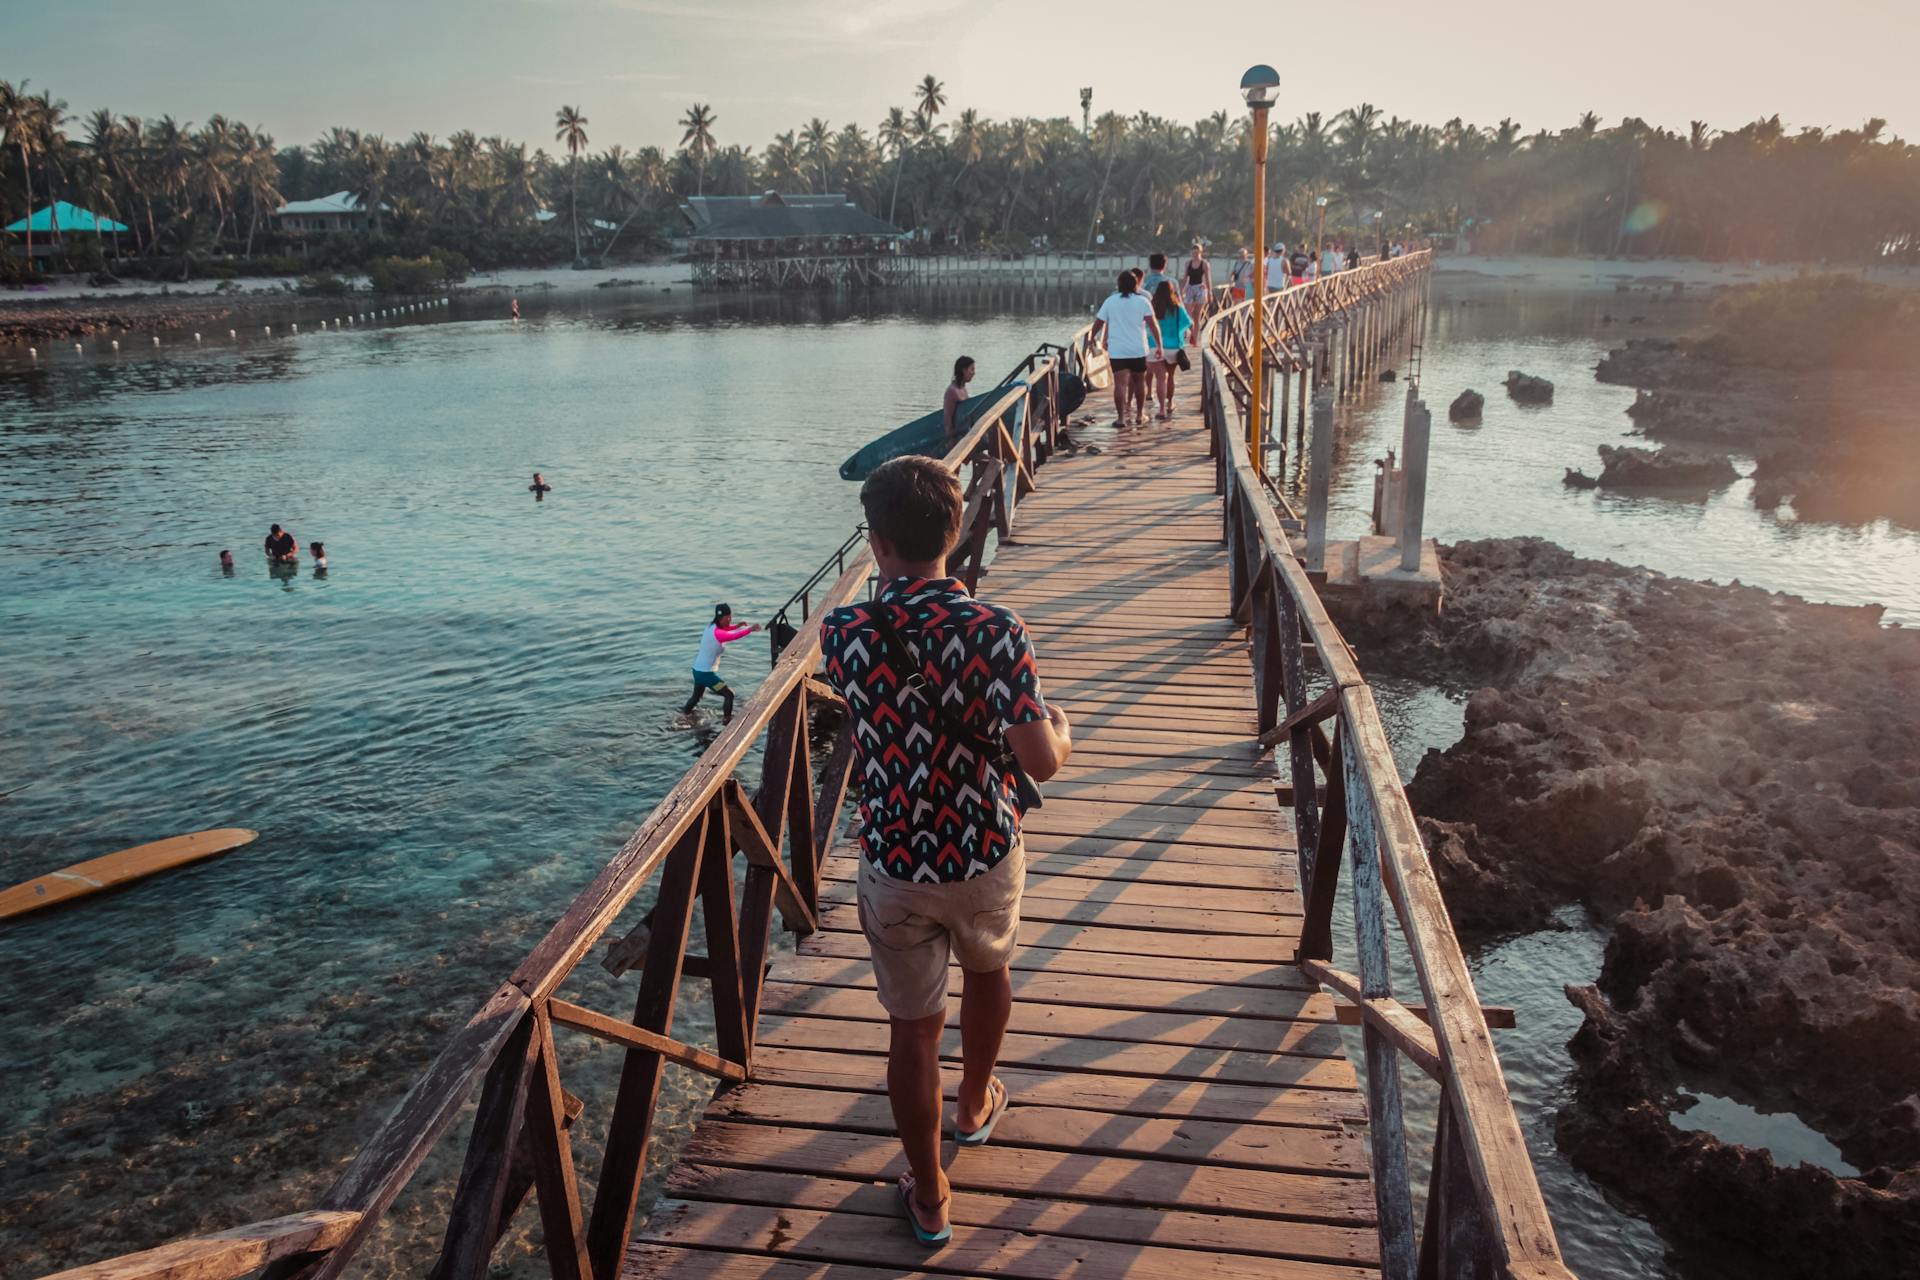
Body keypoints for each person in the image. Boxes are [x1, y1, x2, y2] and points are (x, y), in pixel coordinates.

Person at [818, 456, 1072, 1246]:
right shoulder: (998, 631)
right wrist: (1062, 728)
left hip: (895, 856)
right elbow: (1039, 762)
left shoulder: (843, 631)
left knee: (911, 1029)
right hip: (983, 847)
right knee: (990, 970)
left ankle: (929, 1195)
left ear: (878, 543)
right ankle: (973, 1102)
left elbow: (867, 722)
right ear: (956, 534)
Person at [1090, 270, 1163, 428]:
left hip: (1118, 350)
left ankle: (1121, 418)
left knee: (1120, 384)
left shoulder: (1110, 301)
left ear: (1119, 284)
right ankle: (1139, 415)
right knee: (1139, 382)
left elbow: (1098, 323)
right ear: (1136, 284)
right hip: (1137, 349)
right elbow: (1153, 325)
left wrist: (1091, 340)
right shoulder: (1143, 301)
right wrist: (1159, 346)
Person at [683, 603, 760, 723]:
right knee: (729, 694)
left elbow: (725, 629)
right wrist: (750, 629)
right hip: (706, 675)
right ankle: (727, 721)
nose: (730, 620)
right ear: (720, 618)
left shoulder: (711, 626)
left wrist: (736, 626)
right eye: (727, 618)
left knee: (696, 697)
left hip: (697, 671)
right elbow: (733, 636)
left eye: (730, 617)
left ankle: (684, 715)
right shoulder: (718, 634)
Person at [1148, 281, 1191, 421]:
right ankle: (1170, 403)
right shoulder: (1177, 308)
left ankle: (1160, 409)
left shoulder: (1152, 307)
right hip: (1173, 347)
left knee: (1160, 378)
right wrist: (1183, 333)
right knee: (1170, 376)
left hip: (1154, 346)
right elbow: (1188, 323)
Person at [1181, 244, 1212, 338]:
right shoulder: (1188, 263)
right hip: (1190, 288)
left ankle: (1195, 337)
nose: (1194, 254)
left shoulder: (1204, 264)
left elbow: (1208, 278)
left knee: (1196, 315)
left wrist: (1209, 292)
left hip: (1200, 288)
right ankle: (1189, 331)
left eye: (1196, 252)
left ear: (1200, 252)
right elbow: (1185, 277)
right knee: (1187, 313)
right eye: (1193, 252)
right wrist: (1182, 290)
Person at [942, 356, 976, 442]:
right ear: (964, 370)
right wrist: (951, 443)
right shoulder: (952, 391)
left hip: (964, 435)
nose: (973, 373)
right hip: (956, 440)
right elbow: (947, 421)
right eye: (971, 369)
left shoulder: (963, 389)